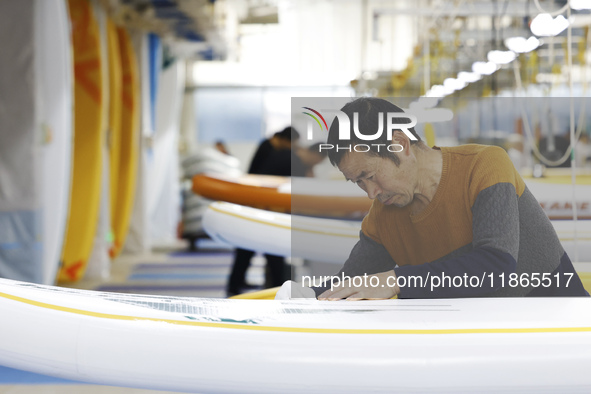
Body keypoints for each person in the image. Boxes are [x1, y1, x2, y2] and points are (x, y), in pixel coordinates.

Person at [312, 97, 587, 300]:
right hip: (486, 343)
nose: (371, 192)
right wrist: (302, 295)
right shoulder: (383, 216)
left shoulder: (485, 165)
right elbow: (346, 284)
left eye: (369, 175)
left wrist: (397, 280)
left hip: (561, 332)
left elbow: (496, 266)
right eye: (358, 183)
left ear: (400, 144)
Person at [227, 127, 299, 296]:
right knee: (266, 250)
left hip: (258, 206)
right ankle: (275, 286)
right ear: (284, 140)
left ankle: (238, 284)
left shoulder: (270, 148)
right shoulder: (270, 150)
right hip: (259, 206)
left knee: (249, 250)